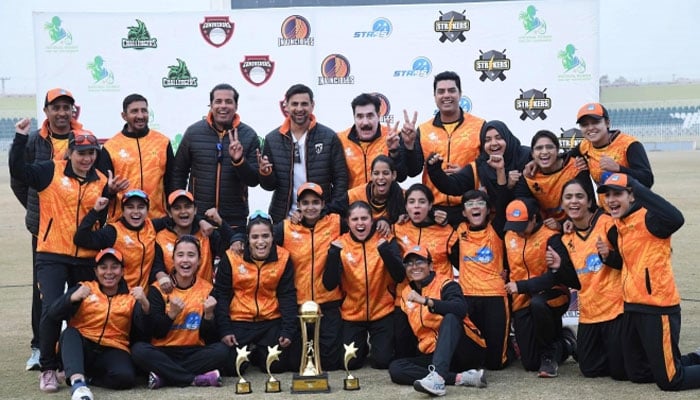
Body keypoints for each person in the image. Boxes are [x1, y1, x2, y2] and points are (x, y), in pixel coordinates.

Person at [9, 125, 127, 393]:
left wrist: (108, 195)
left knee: (81, 313)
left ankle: (71, 364)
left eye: (91, 153)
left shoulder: (100, 181)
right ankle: (48, 368)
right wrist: (18, 140)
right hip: (51, 253)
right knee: (52, 309)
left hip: (85, 258)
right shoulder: (50, 170)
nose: (86, 159)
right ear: (70, 152)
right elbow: (19, 172)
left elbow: (98, 219)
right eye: (81, 153)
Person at [596, 173, 700, 390]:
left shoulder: (650, 219)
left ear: (632, 196)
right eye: (607, 195)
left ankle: (676, 365)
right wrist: (609, 257)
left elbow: (677, 218)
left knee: (671, 380)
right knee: (638, 373)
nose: (611, 199)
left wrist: (637, 186)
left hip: (658, 307)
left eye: (618, 194)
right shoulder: (621, 224)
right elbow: (632, 264)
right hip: (633, 306)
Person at [9, 88, 83, 371]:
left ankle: (79, 343)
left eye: (67, 107)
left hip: (77, 230)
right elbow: (19, 178)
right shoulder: (33, 142)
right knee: (43, 291)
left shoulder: (82, 138)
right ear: (46, 111)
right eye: (56, 107)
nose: (62, 113)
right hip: (44, 230)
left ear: (72, 111)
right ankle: (40, 347)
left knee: (79, 288)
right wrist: (35, 209)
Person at [48, 248, 149, 400]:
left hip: (113, 347)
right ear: (95, 271)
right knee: (70, 333)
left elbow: (144, 331)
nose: (109, 272)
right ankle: (78, 385)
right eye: (103, 267)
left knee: (125, 377)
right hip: (81, 345)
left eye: (114, 267)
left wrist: (145, 305)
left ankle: (89, 379)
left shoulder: (130, 297)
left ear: (122, 271)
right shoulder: (84, 288)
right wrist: (71, 298)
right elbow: (53, 314)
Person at [388, 245, 487, 397]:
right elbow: (406, 334)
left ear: (430, 265)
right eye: (409, 263)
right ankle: (460, 378)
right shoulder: (406, 293)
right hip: (435, 355)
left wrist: (427, 301)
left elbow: (460, 309)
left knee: (451, 316)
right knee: (396, 368)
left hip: (466, 349)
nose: (414, 267)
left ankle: (438, 379)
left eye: (419, 262)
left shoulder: (446, 283)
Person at [131, 235, 227, 389]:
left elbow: (209, 337)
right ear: (173, 259)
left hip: (194, 351)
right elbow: (156, 333)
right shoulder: (158, 289)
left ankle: (166, 376)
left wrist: (209, 316)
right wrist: (171, 315)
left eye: (191, 255)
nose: (185, 260)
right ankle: (194, 379)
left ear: (199, 260)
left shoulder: (208, 289)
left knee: (222, 351)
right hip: (164, 351)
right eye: (180, 255)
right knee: (138, 350)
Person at [503, 198, 580, 378]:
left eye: (522, 225)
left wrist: (521, 286)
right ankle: (567, 342)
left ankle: (549, 355)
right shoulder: (508, 235)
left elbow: (555, 276)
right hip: (521, 298)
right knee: (530, 363)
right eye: (514, 225)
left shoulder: (551, 237)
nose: (517, 230)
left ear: (534, 219)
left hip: (553, 294)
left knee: (538, 304)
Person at [323, 201, 405, 369]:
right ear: (348, 222)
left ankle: (377, 345)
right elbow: (329, 285)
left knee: (382, 362)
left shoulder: (386, 240)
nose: (360, 223)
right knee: (350, 363)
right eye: (355, 219)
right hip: (352, 315)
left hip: (382, 312)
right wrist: (332, 255)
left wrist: (385, 252)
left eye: (364, 218)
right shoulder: (340, 244)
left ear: (372, 220)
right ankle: (363, 345)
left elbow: (400, 276)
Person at [214, 211, 298, 373]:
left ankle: (259, 352)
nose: (260, 242)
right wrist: (225, 330)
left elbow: (287, 295)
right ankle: (252, 349)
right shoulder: (232, 257)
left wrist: (287, 330)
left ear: (273, 236)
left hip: (270, 321)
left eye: (265, 236)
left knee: (276, 366)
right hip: (240, 320)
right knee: (233, 368)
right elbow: (222, 295)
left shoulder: (284, 257)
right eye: (255, 237)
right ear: (247, 238)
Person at [558, 178, 625, 380]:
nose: (574, 201)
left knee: (621, 372)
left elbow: (631, 262)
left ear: (589, 201)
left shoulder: (607, 223)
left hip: (616, 309)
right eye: (568, 197)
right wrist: (557, 268)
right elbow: (575, 280)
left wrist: (609, 256)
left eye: (579, 196)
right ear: (562, 203)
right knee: (589, 370)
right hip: (589, 311)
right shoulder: (566, 237)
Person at [273, 182, 344, 370]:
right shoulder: (286, 228)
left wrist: (385, 222)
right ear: (298, 206)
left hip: (328, 304)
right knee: (295, 363)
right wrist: (236, 240)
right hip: (298, 305)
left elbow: (363, 222)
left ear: (322, 204)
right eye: (305, 203)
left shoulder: (336, 223)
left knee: (330, 363)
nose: (310, 207)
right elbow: (260, 240)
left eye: (315, 202)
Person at [400, 71, 486, 225]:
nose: (446, 95)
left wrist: (468, 173)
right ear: (434, 96)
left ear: (460, 94)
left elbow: (488, 167)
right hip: (434, 211)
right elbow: (414, 170)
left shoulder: (479, 127)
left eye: (452, 90)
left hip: (470, 210)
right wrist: (409, 145)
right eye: (441, 91)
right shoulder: (423, 130)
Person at [172, 83, 260, 230]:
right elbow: (178, 173)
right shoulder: (193, 133)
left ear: (236, 106)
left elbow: (254, 180)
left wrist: (238, 161)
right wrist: (180, 210)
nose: (223, 106)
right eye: (218, 101)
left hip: (234, 221)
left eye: (228, 102)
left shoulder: (248, 135)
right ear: (211, 105)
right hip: (198, 219)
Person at [259, 83, 349, 223]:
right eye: (294, 104)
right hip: (284, 218)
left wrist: (329, 210)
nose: (299, 109)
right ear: (286, 106)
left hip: (321, 218)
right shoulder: (273, 139)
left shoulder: (328, 137)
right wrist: (265, 174)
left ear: (312, 105)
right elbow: (269, 186)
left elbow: (341, 178)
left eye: (304, 104)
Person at [449, 182, 511, 370]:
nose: (475, 207)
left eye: (480, 203)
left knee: (495, 365)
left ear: (488, 209)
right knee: (470, 359)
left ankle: (512, 349)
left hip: (495, 295)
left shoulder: (497, 227)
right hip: (467, 296)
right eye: (469, 204)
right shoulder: (459, 229)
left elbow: (503, 198)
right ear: (463, 212)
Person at [392, 183, 457, 359]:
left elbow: (462, 262)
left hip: (436, 300)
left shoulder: (446, 230)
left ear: (430, 205)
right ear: (406, 207)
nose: (416, 206)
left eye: (422, 201)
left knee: (436, 354)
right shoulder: (397, 228)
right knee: (402, 356)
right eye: (411, 202)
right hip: (406, 301)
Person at [427, 120, 530, 221]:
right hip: (495, 228)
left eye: (498, 138)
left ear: (507, 138)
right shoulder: (479, 167)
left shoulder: (526, 157)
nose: (493, 143)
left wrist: (536, 163)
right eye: (487, 140)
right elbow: (451, 186)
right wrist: (435, 169)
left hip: (528, 223)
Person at [73, 189, 170, 292]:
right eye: (130, 207)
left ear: (147, 211)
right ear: (123, 211)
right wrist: (95, 211)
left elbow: (177, 218)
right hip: (119, 298)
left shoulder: (152, 226)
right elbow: (81, 238)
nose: (136, 212)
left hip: (142, 296)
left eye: (141, 207)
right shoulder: (113, 232)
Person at [98, 93, 175, 222]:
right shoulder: (110, 147)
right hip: (122, 223)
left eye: (144, 110)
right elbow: (100, 190)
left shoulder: (163, 142)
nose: (140, 116)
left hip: (157, 220)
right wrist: (109, 191)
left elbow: (171, 182)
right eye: (134, 111)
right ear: (124, 116)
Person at [569, 102, 654, 198]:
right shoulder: (585, 145)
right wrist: (580, 163)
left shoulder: (629, 144)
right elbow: (566, 158)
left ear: (607, 123)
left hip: (634, 209)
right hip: (606, 209)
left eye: (595, 122)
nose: (590, 128)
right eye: (585, 125)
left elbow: (647, 180)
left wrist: (619, 169)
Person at [514, 130, 593, 230]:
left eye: (549, 147)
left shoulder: (575, 167)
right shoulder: (529, 175)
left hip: (576, 224)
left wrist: (562, 224)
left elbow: (589, 203)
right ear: (533, 154)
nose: (544, 152)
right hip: (544, 228)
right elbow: (522, 203)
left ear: (557, 150)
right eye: (539, 148)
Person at [156, 189, 234, 284]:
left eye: (187, 207)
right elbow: (156, 266)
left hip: (204, 295)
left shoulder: (206, 233)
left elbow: (232, 247)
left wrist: (220, 222)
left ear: (195, 210)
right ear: (169, 213)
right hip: (172, 296)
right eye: (177, 208)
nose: (183, 211)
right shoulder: (161, 237)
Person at [337, 93, 407, 189]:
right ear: (354, 117)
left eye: (370, 116)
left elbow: (401, 177)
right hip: (353, 201)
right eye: (360, 117)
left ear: (378, 116)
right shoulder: (340, 140)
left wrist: (394, 152)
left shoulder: (393, 136)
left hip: (386, 202)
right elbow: (336, 181)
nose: (365, 122)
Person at [348, 155, 406, 236]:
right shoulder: (354, 195)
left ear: (394, 175)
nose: (381, 177)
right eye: (376, 173)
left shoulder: (405, 197)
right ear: (371, 175)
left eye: (385, 173)